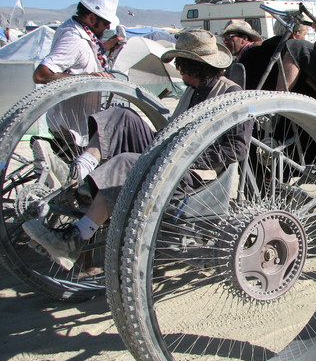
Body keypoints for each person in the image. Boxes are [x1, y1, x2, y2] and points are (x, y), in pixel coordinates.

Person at [22, 29, 252, 271]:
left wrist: (181, 152)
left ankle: (75, 238)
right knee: (121, 116)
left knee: (127, 164)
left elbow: (236, 149)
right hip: (169, 156)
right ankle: (80, 172)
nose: (178, 69)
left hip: (196, 173)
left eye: (181, 65)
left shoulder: (231, 94)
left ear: (195, 66)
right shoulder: (192, 89)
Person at [30, 0, 125, 187]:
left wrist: (107, 47)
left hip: (76, 124)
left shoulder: (81, 33)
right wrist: (86, 78)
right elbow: (41, 74)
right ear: (91, 18)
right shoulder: (73, 38)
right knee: (80, 183)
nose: (107, 27)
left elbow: (85, 56)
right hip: (72, 127)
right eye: (105, 23)